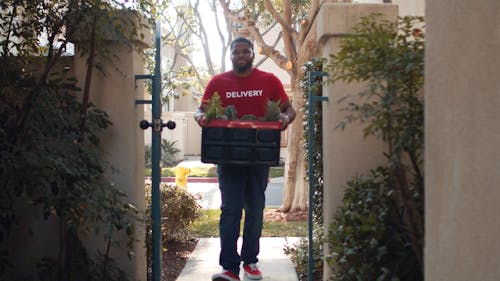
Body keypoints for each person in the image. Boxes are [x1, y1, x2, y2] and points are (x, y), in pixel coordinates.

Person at [194, 37, 296, 281]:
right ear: (231, 55)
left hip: (258, 157)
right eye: (236, 52)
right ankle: (229, 268)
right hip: (228, 158)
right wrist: (199, 115)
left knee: (255, 210)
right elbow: (202, 109)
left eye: (245, 51)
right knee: (230, 211)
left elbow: (289, 109)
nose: (241, 55)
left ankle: (250, 262)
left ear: (252, 54)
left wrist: (284, 119)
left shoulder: (269, 81)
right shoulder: (218, 82)